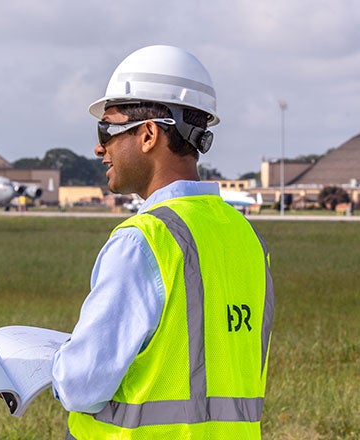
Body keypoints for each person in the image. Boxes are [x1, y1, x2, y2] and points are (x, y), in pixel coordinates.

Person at [51, 45, 275, 439]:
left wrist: (48, 364)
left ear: (149, 134)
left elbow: (80, 386)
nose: (99, 148)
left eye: (107, 129)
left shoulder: (144, 241)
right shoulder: (248, 238)